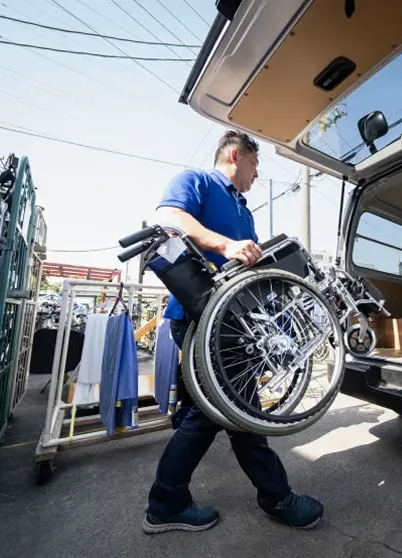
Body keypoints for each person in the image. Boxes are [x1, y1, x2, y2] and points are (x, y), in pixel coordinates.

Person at [143, 130, 324, 534]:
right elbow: (169, 218)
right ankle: (274, 497)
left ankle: (167, 500)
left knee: (202, 414)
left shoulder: (245, 211)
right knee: (239, 413)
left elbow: (250, 274)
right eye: (256, 165)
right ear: (236, 155)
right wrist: (226, 245)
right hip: (202, 319)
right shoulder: (197, 181)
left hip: (234, 321)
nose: (257, 175)